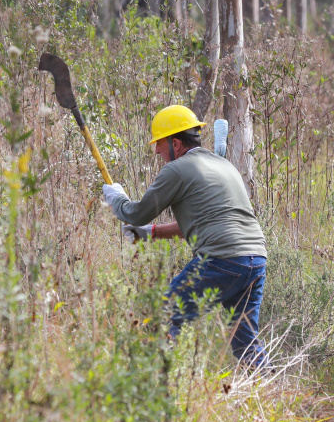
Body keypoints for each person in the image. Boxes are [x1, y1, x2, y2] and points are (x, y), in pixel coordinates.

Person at [101, 105, 270, 367]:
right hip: (255, 261)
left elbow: (135, 214)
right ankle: (272, 388)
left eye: (159, 143)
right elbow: (201, 222)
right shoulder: (221, 165)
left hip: (221, 260)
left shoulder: (178, 169)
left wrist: (116, 198)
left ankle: (156, 382)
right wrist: (152, 233)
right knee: (245, 341)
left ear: (176, 143)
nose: (156, 150)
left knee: (164, 315)